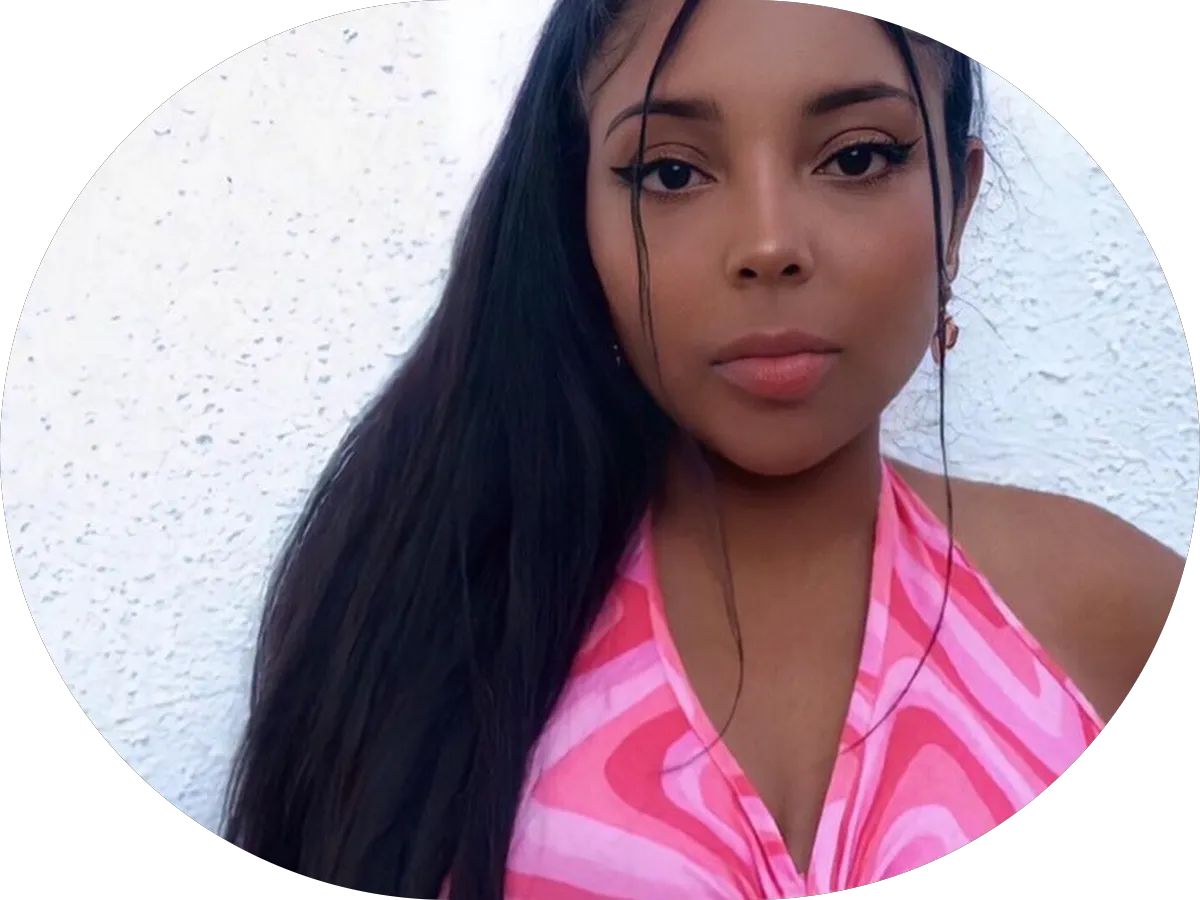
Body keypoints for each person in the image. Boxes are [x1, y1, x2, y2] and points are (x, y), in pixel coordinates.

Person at [222, 2, 1185, 898]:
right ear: (576, 218)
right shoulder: (420, 621)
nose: (768, 244)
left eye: (857, 157)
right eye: (672, 173)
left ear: (957, 210)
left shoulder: (1110, 616)